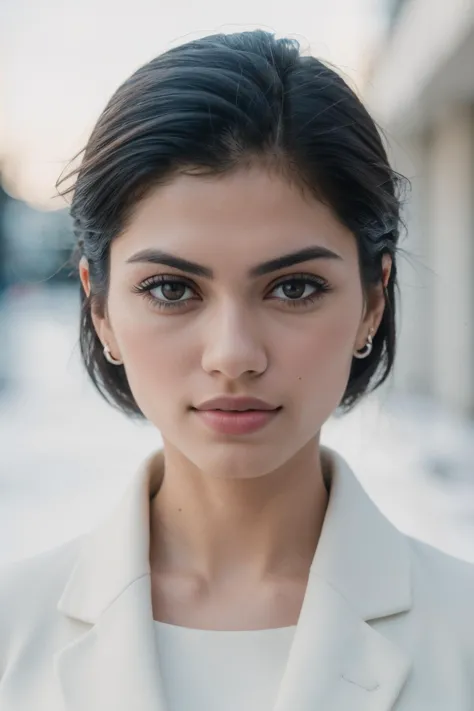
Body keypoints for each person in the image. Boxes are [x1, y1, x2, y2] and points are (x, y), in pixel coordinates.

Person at [0, 29, 473, 711]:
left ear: (373, 300)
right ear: (100, 307)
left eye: (294, 287)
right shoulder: (13, 633)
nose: (233, 354)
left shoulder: (463, 634)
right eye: (171, 289)